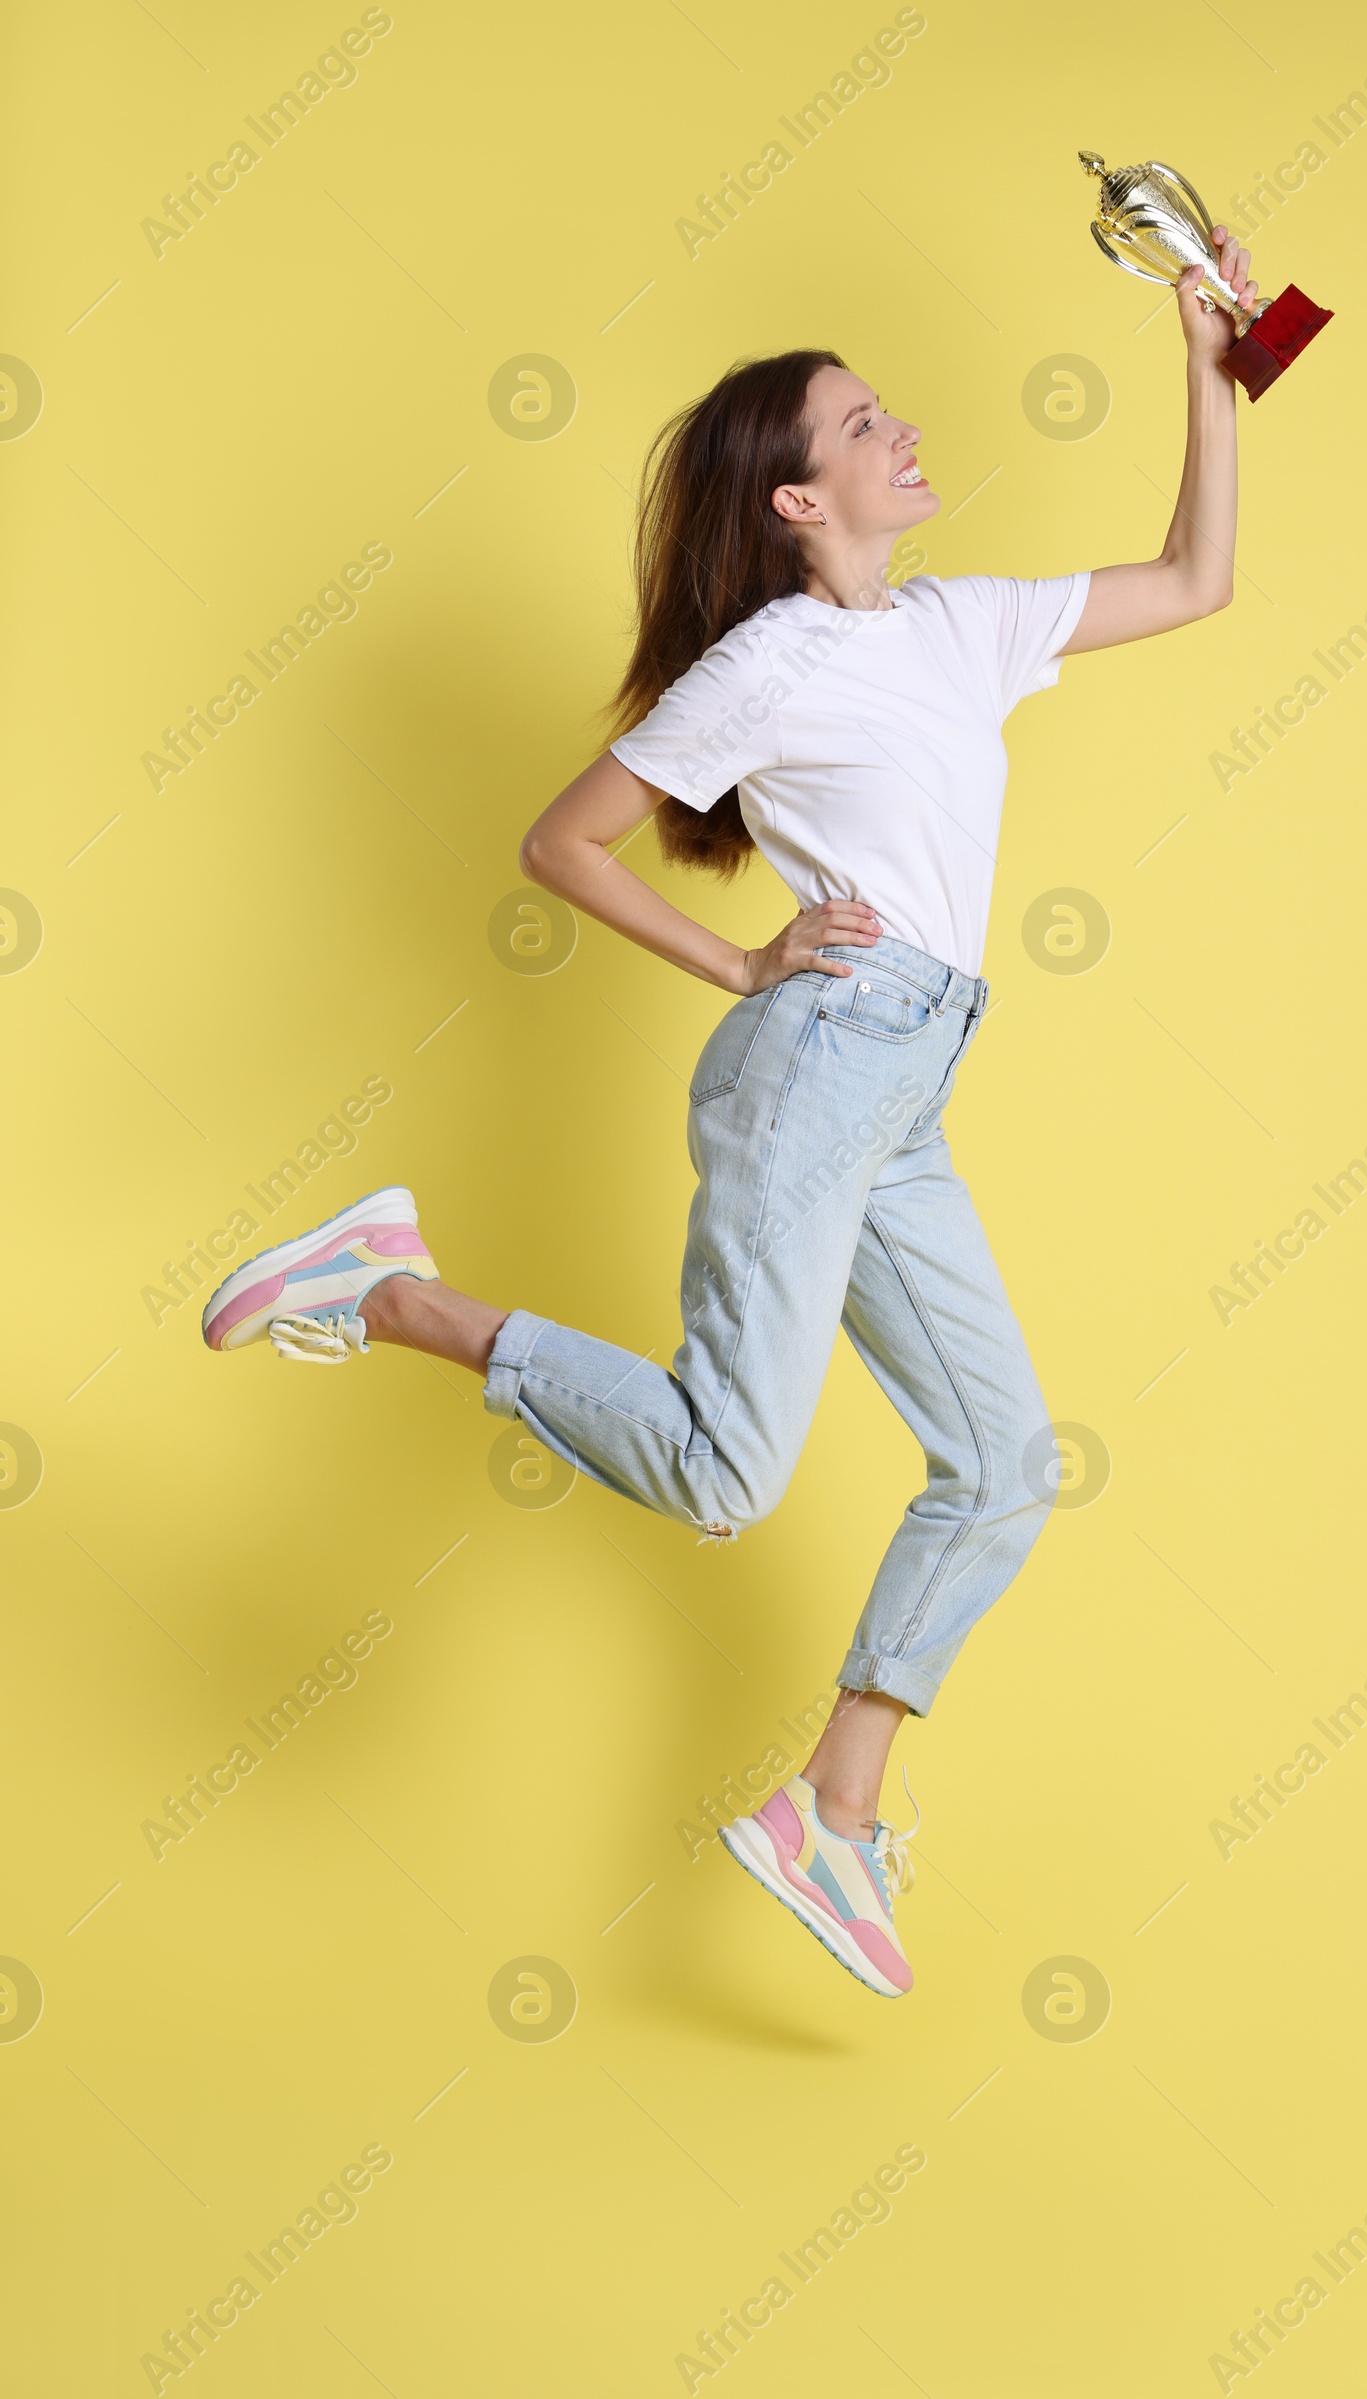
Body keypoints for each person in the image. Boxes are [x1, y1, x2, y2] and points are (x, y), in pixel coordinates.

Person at [203, 230, 1256, 1998]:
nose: (905, 429)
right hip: (822, 1061)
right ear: (792, 498)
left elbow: (1197, 578)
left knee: (1003, 1465)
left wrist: (1207, 354)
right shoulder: (765, 665)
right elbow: (562, 842)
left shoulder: (962, 625)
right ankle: (387, 1290)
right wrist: (741, 963)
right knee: (726, 1476)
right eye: (865, 422)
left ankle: (832, 1814)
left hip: (908, 1084)